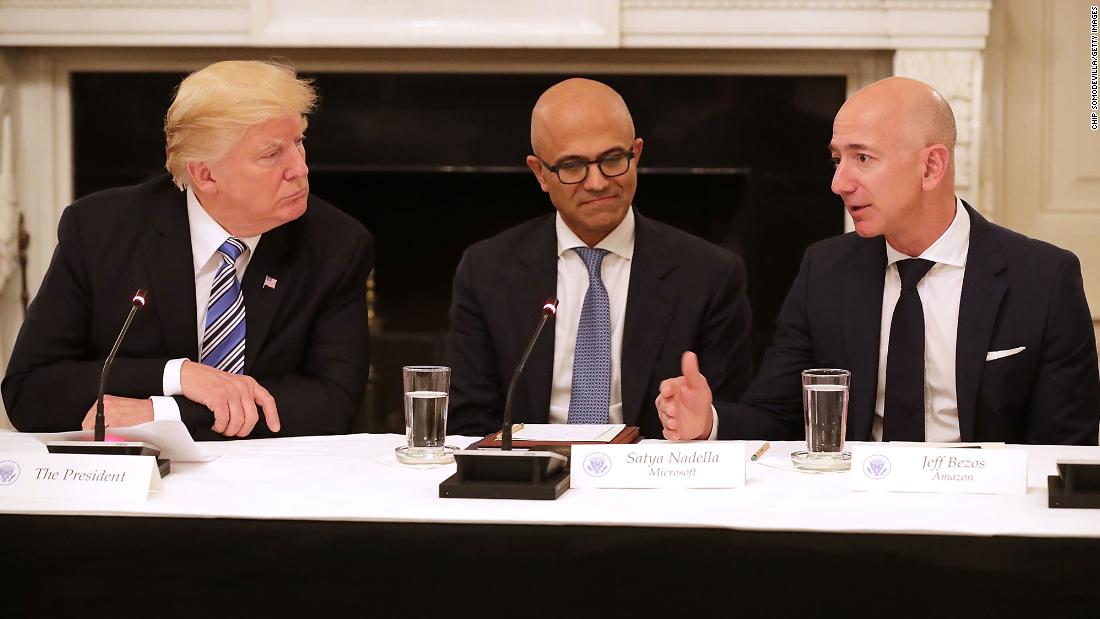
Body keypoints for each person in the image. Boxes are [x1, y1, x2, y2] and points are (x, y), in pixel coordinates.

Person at [657, 76, 1099, 445]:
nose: (838, 183)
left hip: (988, 517)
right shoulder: (824, 270)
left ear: (931, 167)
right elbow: (776, 414)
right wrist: (710, 422)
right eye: (837, 159)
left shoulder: (1043, 277)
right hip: (858, 512)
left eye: (862, 158)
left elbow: (1067, 444)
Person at [2, 60, 374, 440]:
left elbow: (333, 405)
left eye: (299, 142)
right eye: (271, 154)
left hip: (269, 482)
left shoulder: (335, 245)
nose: (300, 168)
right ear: (205, 174)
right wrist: (177, 374)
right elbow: (29, 390)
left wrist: (164, 412)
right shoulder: (100, 230)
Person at [446, 77, 752, 439]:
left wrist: (700, 426)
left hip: (655, 478)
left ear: (636, 154)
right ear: (540, 173)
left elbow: (730, 419)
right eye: (572, 166)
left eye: (612, 160)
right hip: (529, 480)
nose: (597, 182)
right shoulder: (486, 270)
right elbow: (470, 422)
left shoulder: (710, 275)